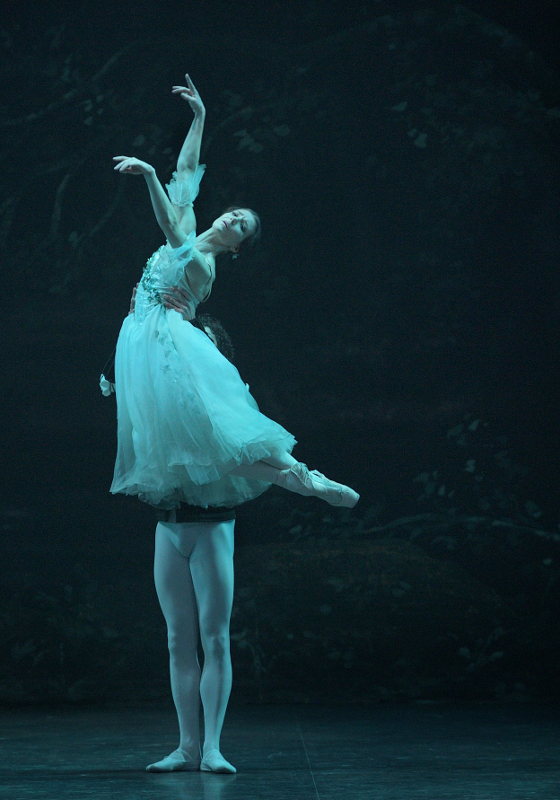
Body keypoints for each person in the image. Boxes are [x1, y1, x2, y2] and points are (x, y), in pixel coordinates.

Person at [109, 74, 359, 773]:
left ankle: (301, 477)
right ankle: (187, 746)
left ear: (237, 245)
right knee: (196, 456)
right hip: (144, 350)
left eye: (242, 225)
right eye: (233, 213)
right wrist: (201, 115)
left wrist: (149, 175)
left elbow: (169, 214)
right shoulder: (195, 228)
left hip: (168, 349)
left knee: (224, 440)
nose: (231, 220)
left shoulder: (201, 261)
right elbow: (189, 177)